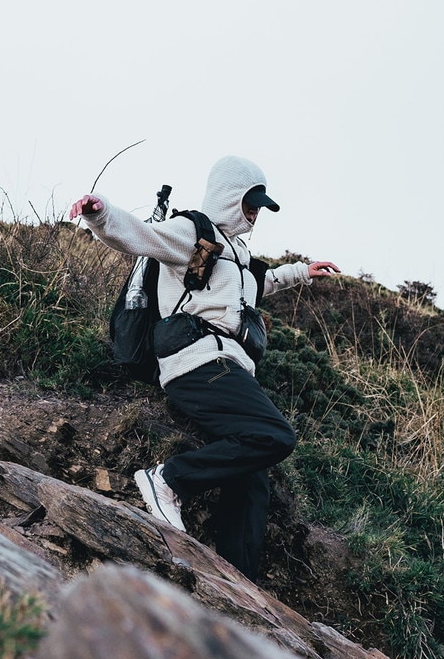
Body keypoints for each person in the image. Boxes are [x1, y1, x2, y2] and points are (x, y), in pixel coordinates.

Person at [69, 155, 340, 581]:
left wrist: (302, 272)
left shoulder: (235, 253)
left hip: (228, 365)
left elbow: (257, 284)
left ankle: (238, 583)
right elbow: (141, 237)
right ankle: (168, 480)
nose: (255, 213)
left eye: (260, 206)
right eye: (251, 202)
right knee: (275, 436)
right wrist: (99, 212)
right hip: (198, 361)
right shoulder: (192, 233)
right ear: (230, 197)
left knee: (252, 480)